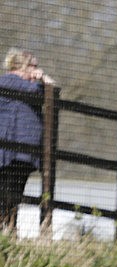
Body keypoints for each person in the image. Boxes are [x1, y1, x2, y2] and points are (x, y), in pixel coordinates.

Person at [0, 48, 55, 230]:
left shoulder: (23, 85)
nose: (37, 69)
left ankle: (9, 228)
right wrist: (44, 79)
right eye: (34, 66)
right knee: (8, 192)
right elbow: (46, 92)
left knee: (13, 194)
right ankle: (7, 228)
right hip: (10, 154)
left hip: (21, 153)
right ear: (22, 66)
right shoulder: (11, 81)